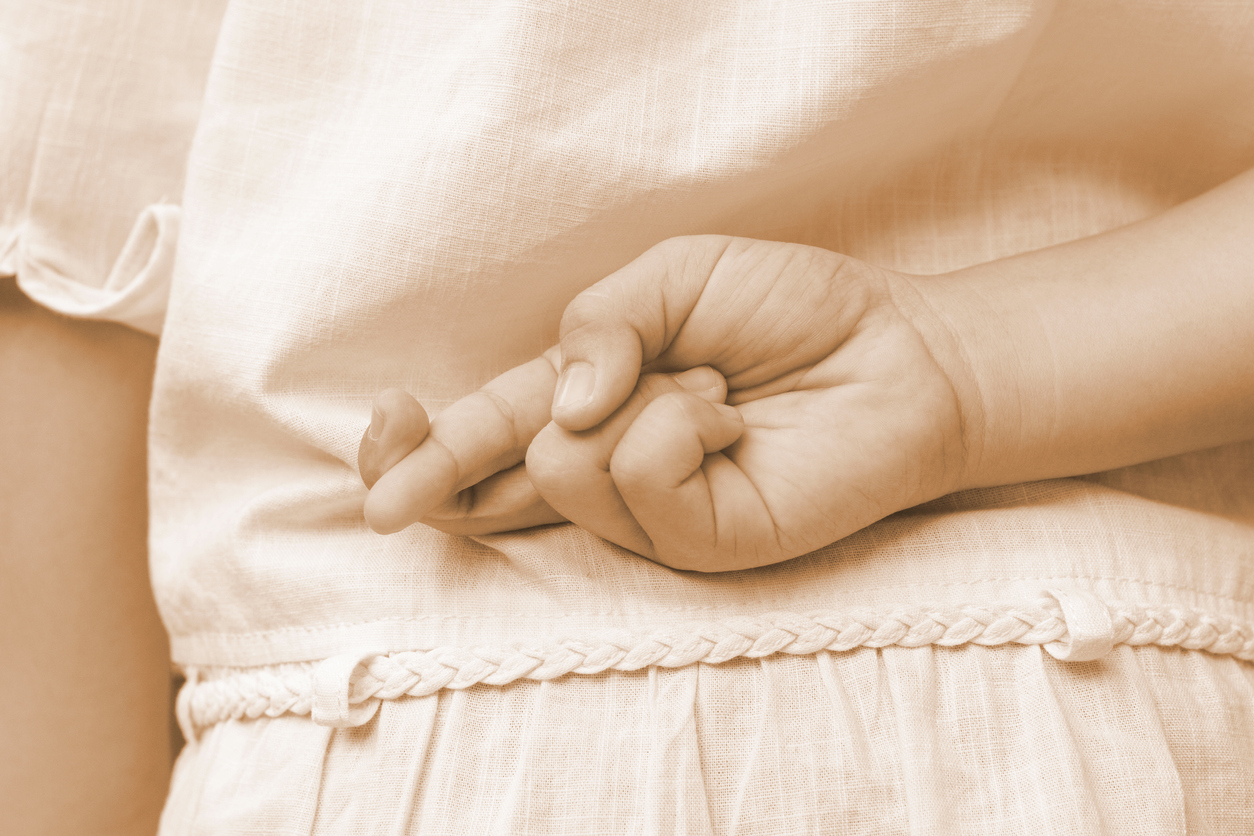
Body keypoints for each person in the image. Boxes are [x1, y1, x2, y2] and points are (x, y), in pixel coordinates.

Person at [3, 1, 1253, 833]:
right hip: (1103, 723)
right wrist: (958, 366)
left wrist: (963, 369)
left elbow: (69, 254)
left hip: (399, 753)